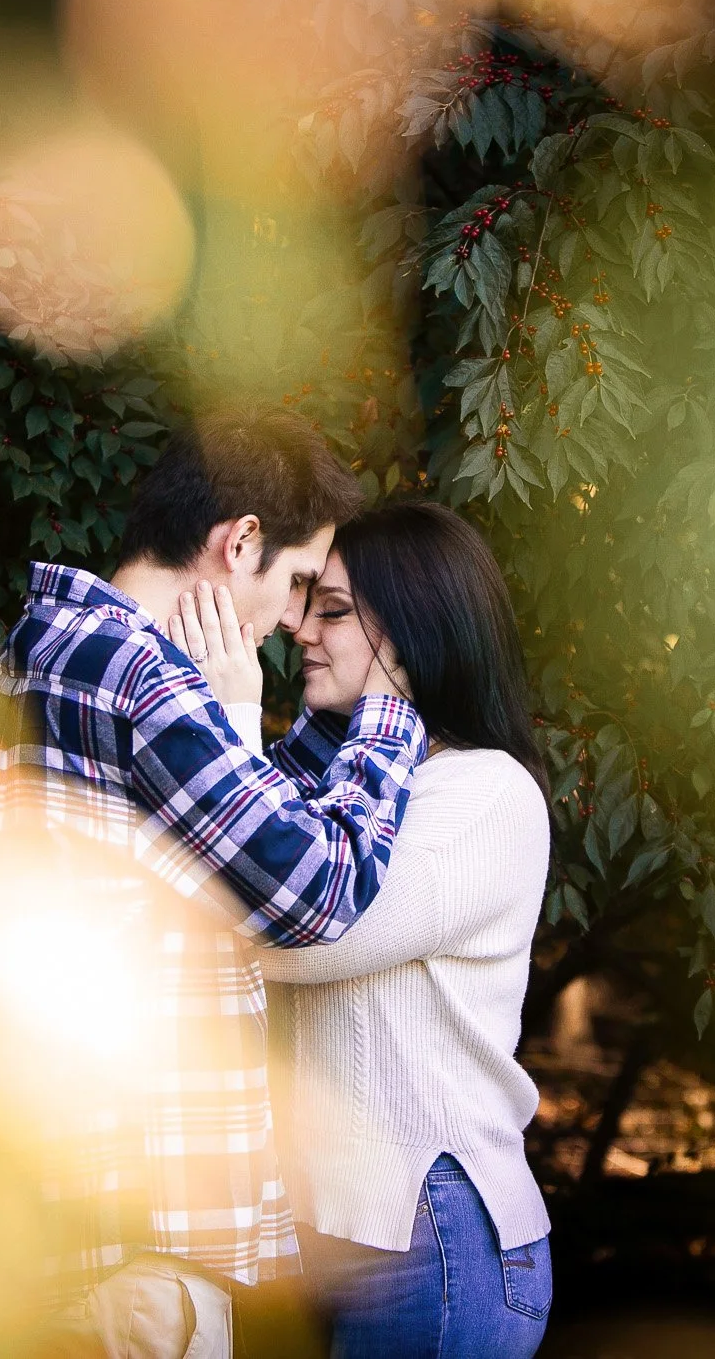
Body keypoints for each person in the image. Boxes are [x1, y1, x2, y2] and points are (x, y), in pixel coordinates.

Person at [0, 406, 425, 1359]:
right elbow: (316, 889)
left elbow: (219, 845)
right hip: (137, 1256)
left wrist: (237, 717)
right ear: (241, 543)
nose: (296, 620)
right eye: (299, 582)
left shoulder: (46, 646)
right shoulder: (142, 681)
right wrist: (387, 715)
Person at [181, 502, 555, 1358]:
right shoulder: (349, 790)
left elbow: (302, 931)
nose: (302, 629)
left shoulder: (482, 793)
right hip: (324, 1245)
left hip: (430, 1245)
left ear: (417, 628)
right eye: (308, 600)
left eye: (337, 610)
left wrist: (230, 727)